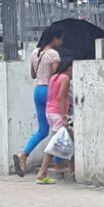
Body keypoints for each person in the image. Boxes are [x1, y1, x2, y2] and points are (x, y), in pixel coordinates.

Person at [13, 27, 63, 177]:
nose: (61, 42)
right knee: (58, 128)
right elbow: (55, 77)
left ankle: (23, 155)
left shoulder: (35, 53)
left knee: (42, 130)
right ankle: (59, 163)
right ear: (54, 39)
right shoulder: (53, 54)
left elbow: (33, 75)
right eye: (60, 39)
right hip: (50, 91)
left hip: (38, 91)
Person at [36, 57, 74, 185]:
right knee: (55, 144)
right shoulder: (65, 79)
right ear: (69, 68)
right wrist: (64, 117)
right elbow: (61, 98)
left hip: (50, 112)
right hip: (58, 113)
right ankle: (42, 173)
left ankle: (72, 169)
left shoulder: (53, 77)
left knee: (68, 140)